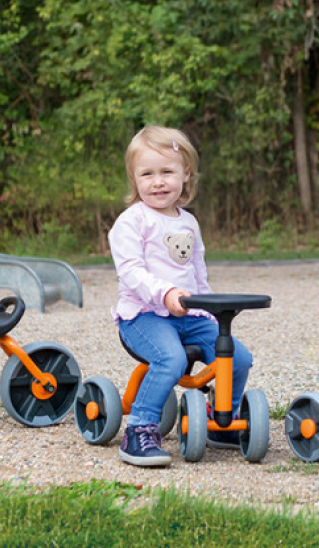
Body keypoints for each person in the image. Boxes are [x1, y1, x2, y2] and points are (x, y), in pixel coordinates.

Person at [107, 125, 255, 467]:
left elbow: (198, 274)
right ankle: (139, 429)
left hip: (189, 317)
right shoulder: (131, 222)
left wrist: (212, 309)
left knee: (239, 357)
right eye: (147, 174)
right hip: (143, 317)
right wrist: (166, 293)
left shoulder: (188, 222)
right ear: (134, 178)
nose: (158, 182)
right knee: (171, 359)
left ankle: (223, 419)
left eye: (167, 172)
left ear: (185, 175)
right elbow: (131, 272)